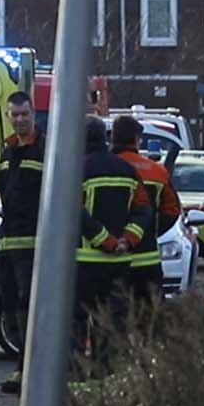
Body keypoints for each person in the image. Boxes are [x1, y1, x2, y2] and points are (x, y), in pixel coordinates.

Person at [73, 116, 150, 378]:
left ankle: (77, 378)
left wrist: (104, 240)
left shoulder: (77, 169)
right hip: (119, 263)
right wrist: (126, 240)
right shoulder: (128, 170)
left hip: (84, 262)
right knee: (111, 324)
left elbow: (75, 213)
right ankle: (105, 379)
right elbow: (143, 211)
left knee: (78, 321)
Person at [0, 92, 44, 396]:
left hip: (33, 243)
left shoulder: (44, 148)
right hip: (7, 243)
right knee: (11, 309)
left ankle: (28, 369)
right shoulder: (7, 150)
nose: (20, 120)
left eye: (24, 114)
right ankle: (21, 365)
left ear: (33, 113)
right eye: (14, 115)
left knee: (29, 308)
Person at [111, 116, 178, 318]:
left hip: (112, 259)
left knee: (113, 322)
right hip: (148, 261)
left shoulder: (104, 166)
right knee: (150, 323)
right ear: (137, 139)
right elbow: (172, 210)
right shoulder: (157, 171)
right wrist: (152, 230)